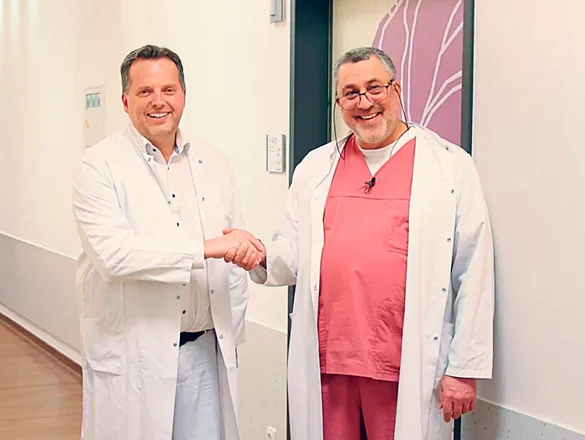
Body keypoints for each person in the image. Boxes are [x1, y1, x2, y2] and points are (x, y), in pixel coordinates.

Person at [225, 47, 495, 440]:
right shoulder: (315, 168)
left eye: (374, 88)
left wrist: (465, 368)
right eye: (350, 93)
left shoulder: (449, 166)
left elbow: (473, 267)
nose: (364, 102)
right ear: (339, 103)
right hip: (329, 363)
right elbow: (293, 252)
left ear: (396, 90)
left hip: (407, 363)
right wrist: (261, 255)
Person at [72, 44, 263, 440]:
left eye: (168, 90)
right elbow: (114, 255)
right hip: (133, 360)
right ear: (125, 101)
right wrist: (203, 249)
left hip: (205, 354)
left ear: (183, 96)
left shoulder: (214, 162)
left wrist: (232, 331)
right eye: (145, 91)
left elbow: (234, 250)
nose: (158, 101)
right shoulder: (98, 165)